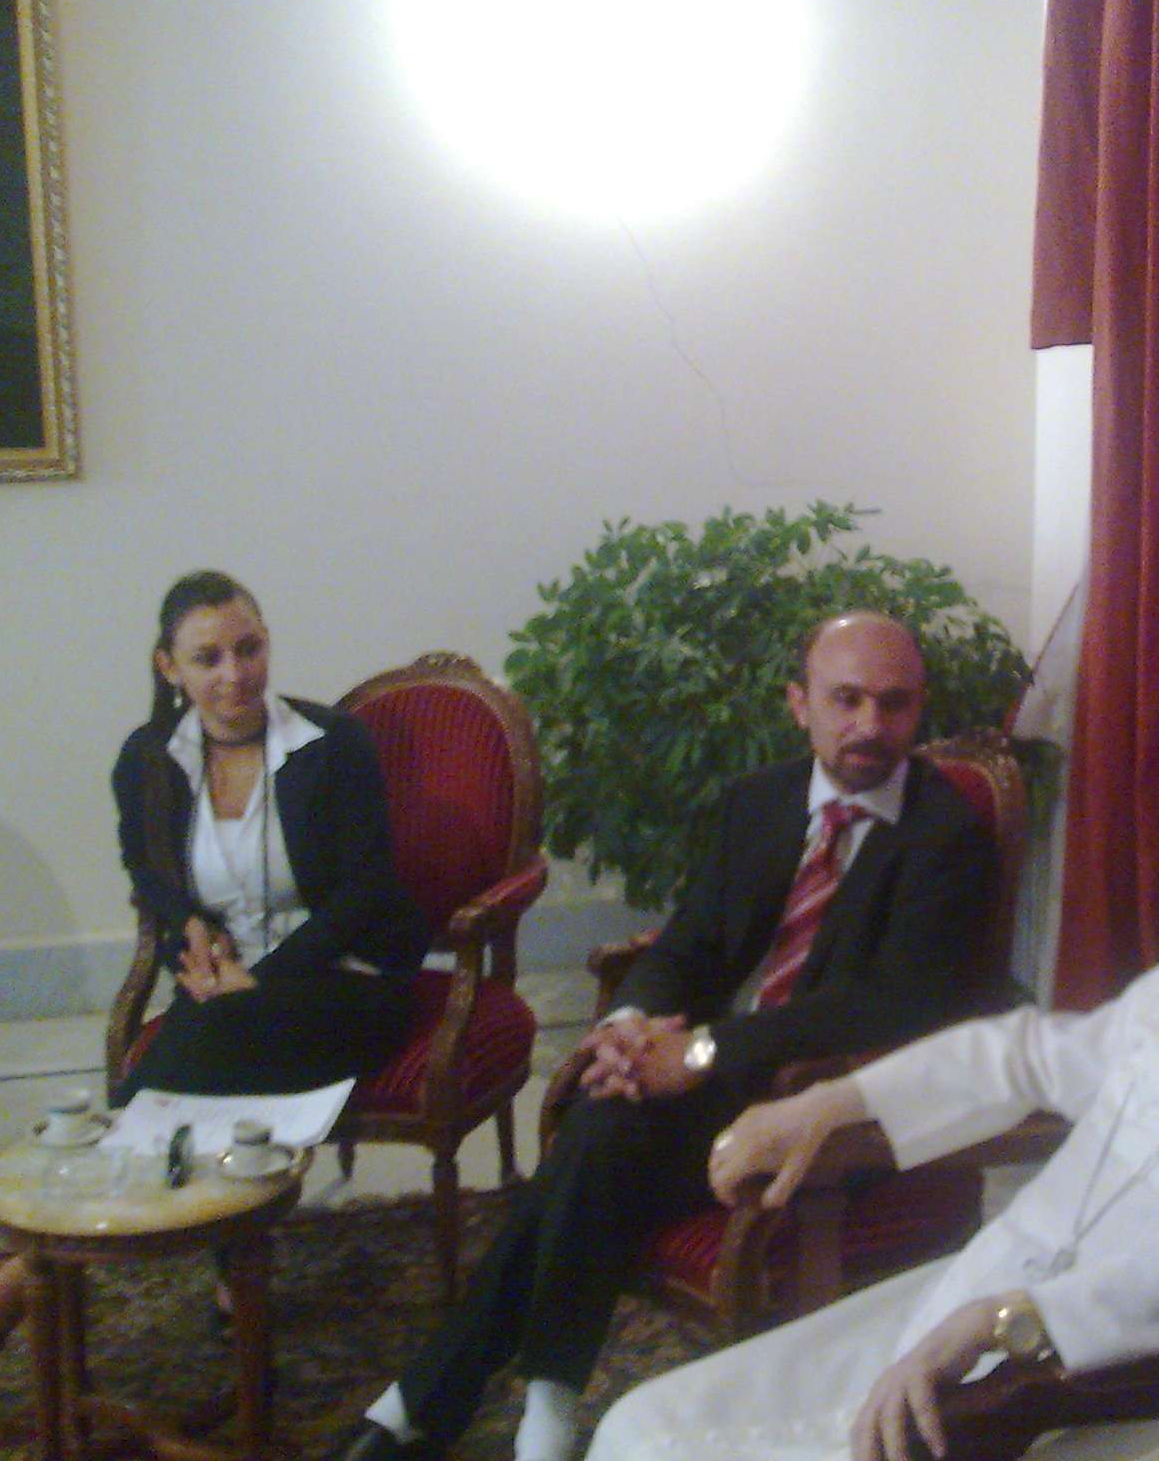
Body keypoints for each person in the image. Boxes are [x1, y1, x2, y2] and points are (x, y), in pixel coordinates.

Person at [588, 785, 1159, 1461]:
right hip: (977, 1296)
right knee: (639, 1428)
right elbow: (1027, 1054)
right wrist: (831, 1104)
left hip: (1125, 1390)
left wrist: (1018, 1321)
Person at [331, 611, 1001, 1461]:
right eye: (847, 699)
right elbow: (688, 946)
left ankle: (444, 1406)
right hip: (709, 1072)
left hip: (822, 1105)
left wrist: (704, 1052)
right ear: (799, 703)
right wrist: (629, 1027)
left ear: (919, 707)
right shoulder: (760, 801)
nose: (871, 724)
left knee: (592, 1145)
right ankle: (524, 1407)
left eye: (894, 703)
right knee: (601, 1123)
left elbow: (885, 1007)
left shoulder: (947, 835)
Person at [0, 569, 430, 1359]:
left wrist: (260, 979)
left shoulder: (332, 744)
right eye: (208, 658)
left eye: (249, 648)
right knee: (212, 1038)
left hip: (350, 984)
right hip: (228, 995)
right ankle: (231, 1274)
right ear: (169, 667)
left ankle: (38, 1261)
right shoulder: (148, 760)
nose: (235, 673)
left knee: (199, 1039)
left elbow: (366, 894)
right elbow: (153, 879)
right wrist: (192, 934)